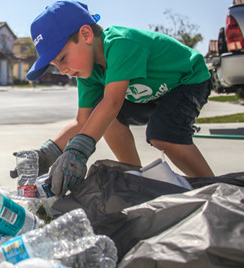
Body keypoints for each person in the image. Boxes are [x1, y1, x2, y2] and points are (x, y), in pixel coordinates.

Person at [17, 0, 214, 197]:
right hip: (150, 95)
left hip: (187, 81)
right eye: (55, 65)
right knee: (99, 114)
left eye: (62, 59)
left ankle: (214, 188)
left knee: (164, 135)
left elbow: (112, 102)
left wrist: (78, 151)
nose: (63, 71)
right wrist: (47, 154)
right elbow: (83, 121)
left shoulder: (121, 43)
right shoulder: (87, 72)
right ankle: (136, 177)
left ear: (86, 35)